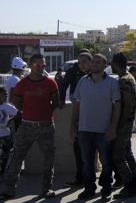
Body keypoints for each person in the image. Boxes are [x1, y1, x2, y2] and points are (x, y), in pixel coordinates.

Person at [0, 54, 59, 199]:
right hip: (26, 125)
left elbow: (55, 102)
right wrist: (28, 112)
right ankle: (9, 189)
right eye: (38, 65)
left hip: (46, 126)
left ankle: (46, 188)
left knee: (48, 158)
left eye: (43, 65)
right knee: (16, 157)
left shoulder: (50, 83)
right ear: (31, 66)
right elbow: (16, 102)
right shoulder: (22, 84)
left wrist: (45, 114)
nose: (41, 68)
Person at [71, 54, 120, 200]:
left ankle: (106, 189)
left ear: (105, 65)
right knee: (87, 162)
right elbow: (77, 104)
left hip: (103, 130)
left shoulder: (112, 83)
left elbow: (117, 106)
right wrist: (72, 125)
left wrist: (113, 127)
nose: (95, 64)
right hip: (84, 130)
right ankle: (89, 189)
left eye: (99, 62)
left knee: (106, 162)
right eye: (93, 62)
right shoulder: (82, 81)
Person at [110, 53, 136, 198]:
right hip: (127, 122)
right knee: (128, 154)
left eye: (112, 63)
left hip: (123, 123)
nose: (110, 66)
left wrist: (116, 124)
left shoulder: (124, 81)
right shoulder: (130, 78)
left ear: (116, 64)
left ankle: (130, 185)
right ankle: (135, 183)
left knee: (118, 156)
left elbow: (126, 104)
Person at [62, 51, 92, 188]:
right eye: (79, 62)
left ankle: (110, 180)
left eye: (85, 62)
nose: (82, 65)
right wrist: (61, 100)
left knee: (102, 151)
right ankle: (81, 178)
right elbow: (64, 86)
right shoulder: (75, 73)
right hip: (80, 115)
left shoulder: (98, 75)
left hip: (97, 119)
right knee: (79, 149)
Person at [0, 88, 18, 175]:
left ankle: (3, 172)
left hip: (5, 135)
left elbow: (18, 113)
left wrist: (10, 120)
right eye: (4, 95)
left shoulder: (7, 106)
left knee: (5, 155)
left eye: (6, 95)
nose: (6, 96)